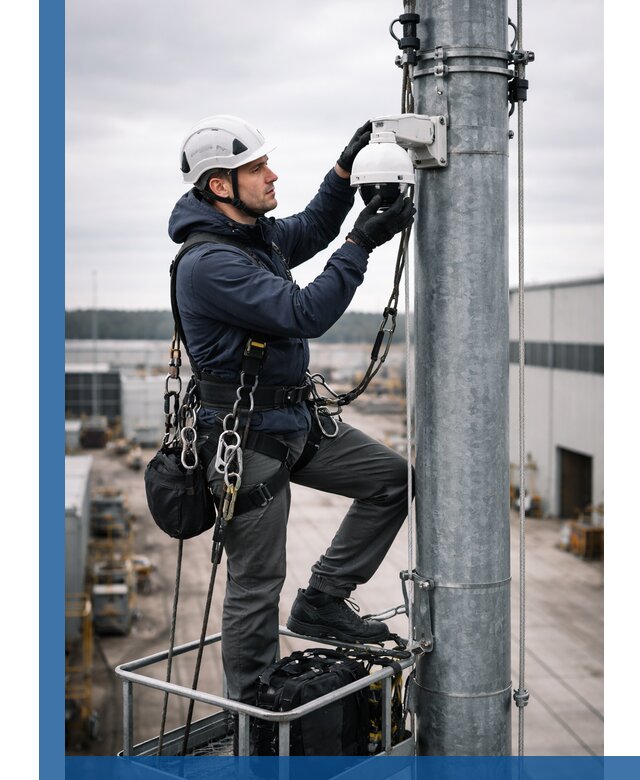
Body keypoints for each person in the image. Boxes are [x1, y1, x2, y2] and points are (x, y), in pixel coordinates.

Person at [168, 115, 415, 705]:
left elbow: (310, 228)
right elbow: (304, 313)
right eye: (257, 168)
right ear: (221, 186)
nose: (271, 174)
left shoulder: (252, 240)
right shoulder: (210, 265)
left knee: (391, 481)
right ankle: (256, 709)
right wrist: (362, 243)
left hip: (292, 420)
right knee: (256, 582)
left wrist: (343, 171)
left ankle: (324, 599)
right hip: (244, 437)